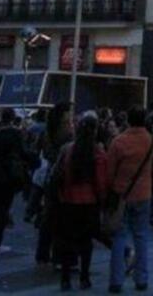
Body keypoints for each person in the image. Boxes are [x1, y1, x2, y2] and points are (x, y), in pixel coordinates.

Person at [107, 106, 153, 293]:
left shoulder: (118, 142)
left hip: (121, 194)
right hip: (143, 193)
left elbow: (110, 171)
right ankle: (141, 278)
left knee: (119, 237)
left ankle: (116, 280)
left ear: (128, 120)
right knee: (141, 236)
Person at [57, 113, 107, 291]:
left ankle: (65, 279)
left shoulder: (68, 149)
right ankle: (84, 277)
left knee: (67, 240)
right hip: (89, 202)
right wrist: (103, 201)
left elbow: (60, 174)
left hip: (69, 200)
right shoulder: (97, 152)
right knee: (86, 242)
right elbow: (101, 182)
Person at [0, 108, 33, 254]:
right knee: (3, 208)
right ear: (12, 119)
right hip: (7, 174)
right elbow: (23, 152)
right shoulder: (14, 134)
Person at [36, 102, 73, 265]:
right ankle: (58, 254)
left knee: (49, 216)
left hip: (50, 174)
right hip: (62, 175)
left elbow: (42, 151)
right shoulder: (66, 132)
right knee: (61, 217)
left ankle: (42, 253)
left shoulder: (47, 131)